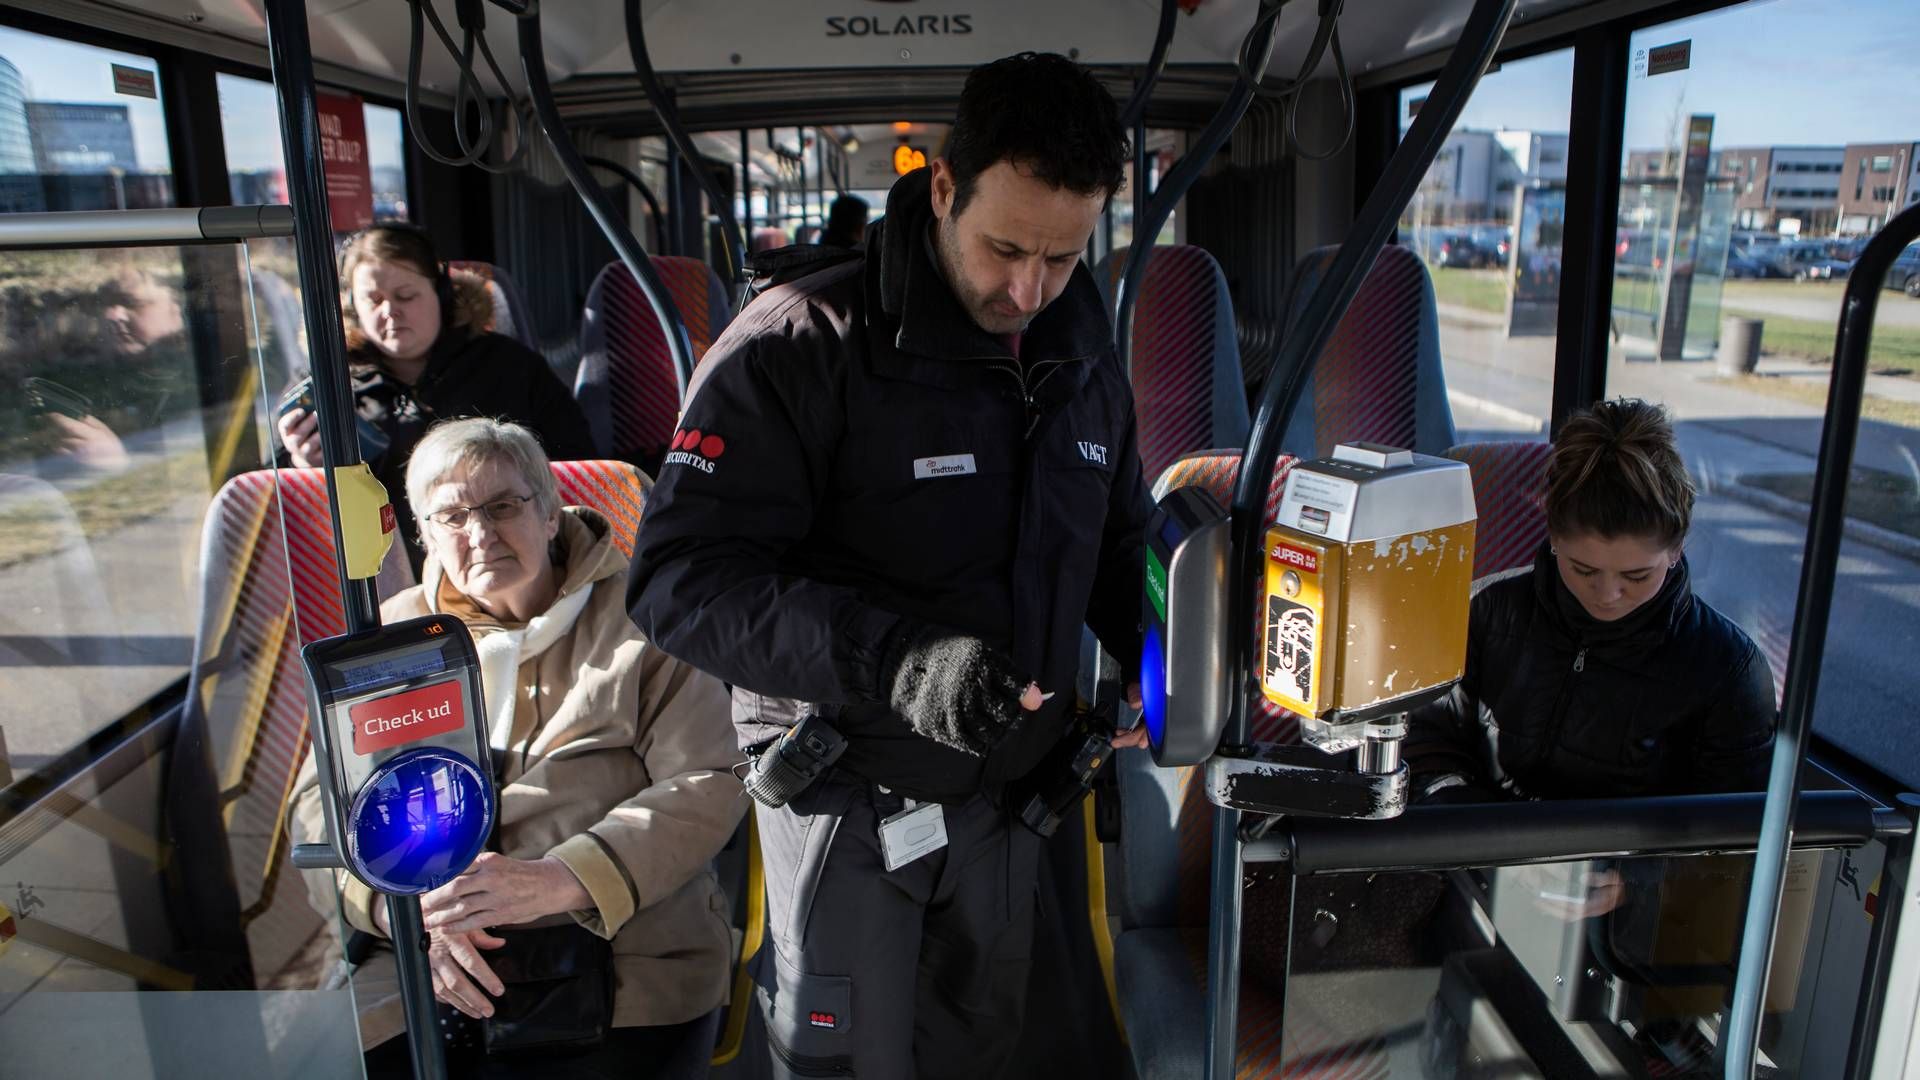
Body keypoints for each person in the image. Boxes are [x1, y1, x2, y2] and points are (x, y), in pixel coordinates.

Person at [626, 52, 1148, 1077]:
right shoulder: (795, 347)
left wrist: (1168, 661)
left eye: (1063, 256)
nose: (1028, 289)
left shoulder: (1085, 360)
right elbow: (677, 581)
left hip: (1008, 804)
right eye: (1005, 248)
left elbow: (1117, 548)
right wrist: (897, 660)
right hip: (848, 798)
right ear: (944, 188)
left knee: (978, 1053)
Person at [290, 417, 745, 1079]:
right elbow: (318, 804)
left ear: (552, 513)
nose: (480, 533)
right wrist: (403, 914)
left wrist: (561, 880)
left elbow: (708, 780)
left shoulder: (645, 622)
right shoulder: (394, 639)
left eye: (503, 506)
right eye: (451, 516)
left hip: (622, 949)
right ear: (424, 534)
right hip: (429, 954)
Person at [1406, 398, 1776, 806]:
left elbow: (1723, 832)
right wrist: (1472, 829)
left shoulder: (1727, 670)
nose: (1607, 595)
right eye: (1582, 569)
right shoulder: (1482, 611)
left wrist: (1636, 869)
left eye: (1637, 576)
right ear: (1553, 537)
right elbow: (1427, 744)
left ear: (1676, 550)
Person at [275, 226, 596, 570]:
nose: (389, 311)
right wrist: (304, 469)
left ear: (442, 294)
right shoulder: (327, 385)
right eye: (373, 299)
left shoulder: (509, 368)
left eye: (405, 296)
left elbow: (578, 473)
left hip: (496, 558)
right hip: (377, 573)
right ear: (353, 306)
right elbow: (272, 511)